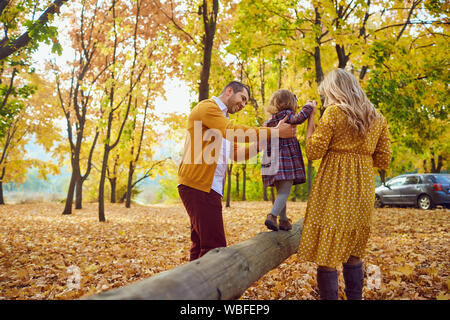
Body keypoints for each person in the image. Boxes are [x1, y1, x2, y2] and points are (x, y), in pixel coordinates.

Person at [297, 69, 392, 300]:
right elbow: (383, 159)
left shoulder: (333, 113)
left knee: (327, 256)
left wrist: (311, 121)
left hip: (336, 185)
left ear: (334, 89)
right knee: (354, 252)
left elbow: (313, 152)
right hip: (363, 187)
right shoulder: (377, 117)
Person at [178, 81, 296, 261]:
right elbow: (231, 131)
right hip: (199, 186)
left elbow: (237, 154)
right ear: (229, 91)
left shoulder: (219, 120)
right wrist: (274, 132)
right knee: (214, 248)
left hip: (209, 188)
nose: (242, 105)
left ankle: (192, 287)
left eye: (245, 103)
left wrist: (261, 144)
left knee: (201, 244)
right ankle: (211, 288)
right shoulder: (208, 108)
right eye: (242, 98)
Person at [261, 89, 316, 231]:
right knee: (285, 190)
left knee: (281, 191)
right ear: (290, 102)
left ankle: (283, 220)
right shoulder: (287, 115)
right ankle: (272, 215)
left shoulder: (270, 120)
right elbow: (299, 118)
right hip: (285, 160)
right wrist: (308, 106)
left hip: (272, 160)